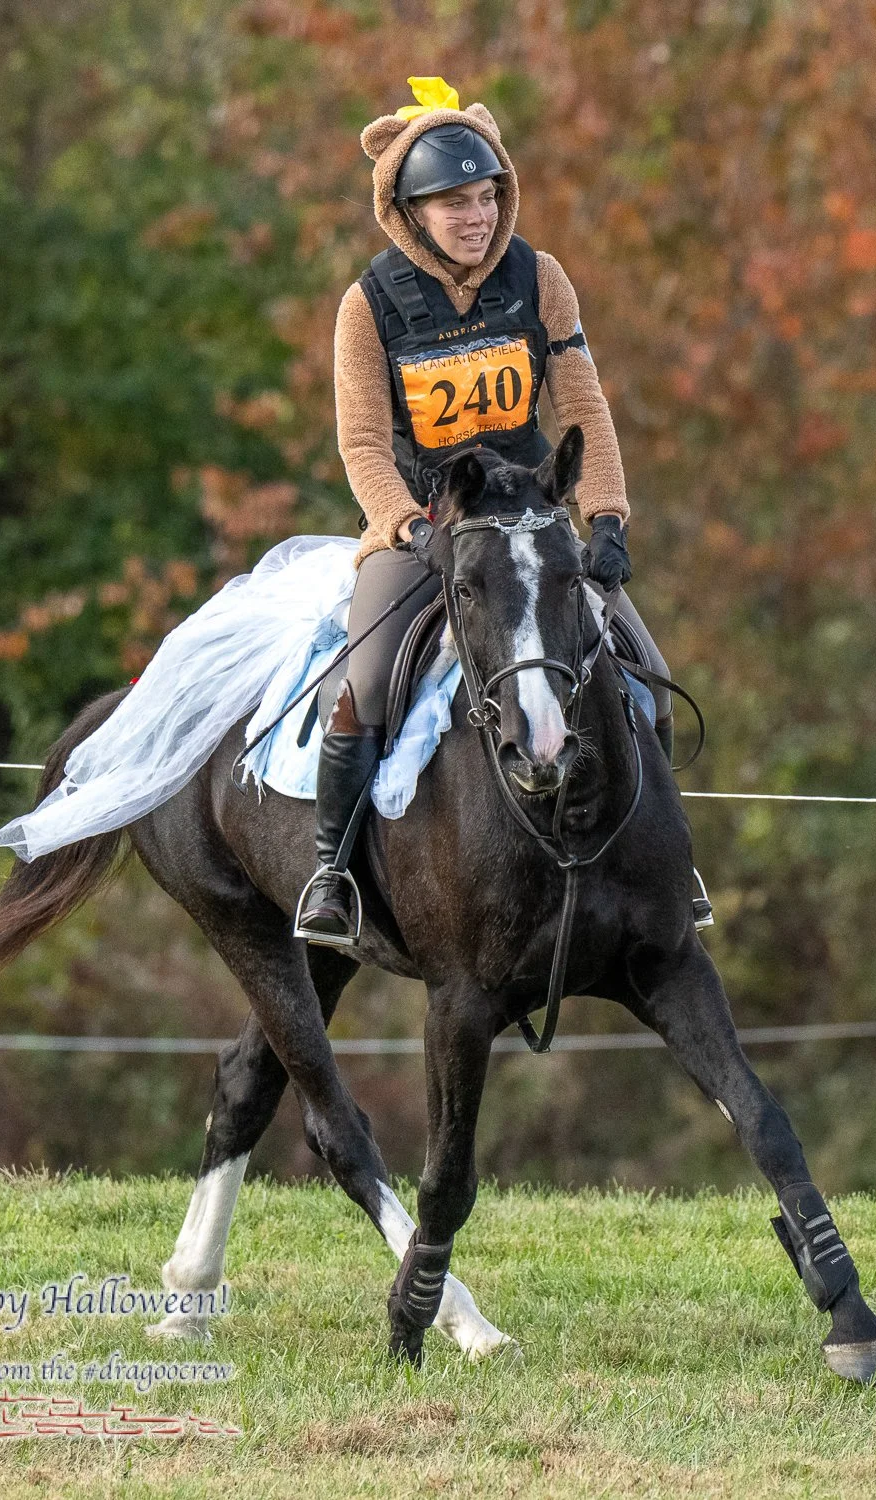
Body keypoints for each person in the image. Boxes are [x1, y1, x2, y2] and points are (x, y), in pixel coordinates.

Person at [295, 75, 710, 946]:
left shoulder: (541, 278)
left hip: (529, 525)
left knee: (645, 671)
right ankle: (333, 875)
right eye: (455, 202)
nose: (478, 216)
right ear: (409, 211)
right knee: (366, 685)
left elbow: (583, 410)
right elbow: (363, 446)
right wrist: (410, 527)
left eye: (487, 197)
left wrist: (606, 520)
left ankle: (668, 865)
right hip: (426, 525)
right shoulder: (365, 307)